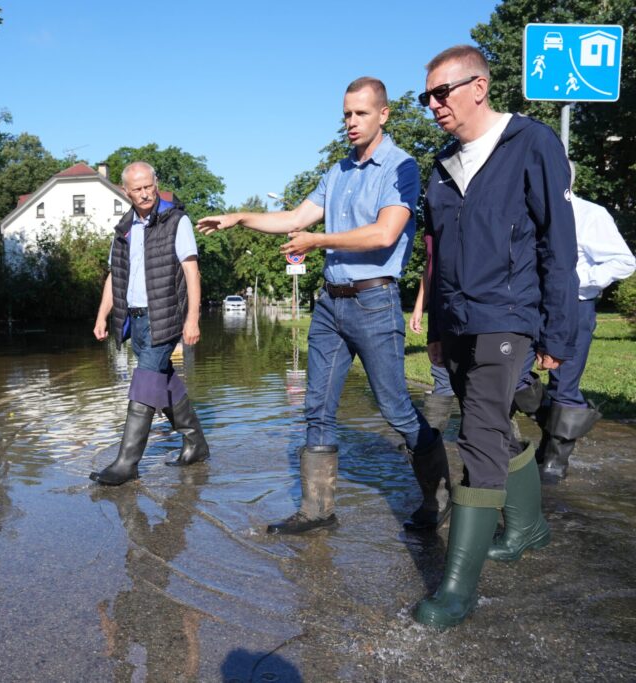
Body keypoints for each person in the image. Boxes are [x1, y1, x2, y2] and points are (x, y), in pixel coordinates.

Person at [197, 77, 450, 535]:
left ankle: (439, 496)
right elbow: (296, 217)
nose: (351, 122)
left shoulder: (401, 167)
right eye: (346, 114)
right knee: (316, 408)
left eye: (360, 113)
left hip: (374, 302)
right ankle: (317, 510)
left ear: (383, 114)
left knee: (395, 408)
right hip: (331, 306)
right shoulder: (338, 172)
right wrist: (239, 217)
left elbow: (385, 233)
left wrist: (318, 241)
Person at [414, 45, 578, 629]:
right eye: (427, 96)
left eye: (442, 92)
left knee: (479, 433)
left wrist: (556, 330)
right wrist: (437, 327)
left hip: (509, 315)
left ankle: (457, 589)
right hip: (458, 320)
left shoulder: (530, 143)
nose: (434, 105)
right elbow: (436, 256)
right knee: (494, 424)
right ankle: (528, 527)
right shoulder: (442, 165)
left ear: (479, 87)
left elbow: (558, 244)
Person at [90, 161, 209, 486]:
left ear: (156, 184)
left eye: (148, 186)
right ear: (126, 192)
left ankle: (126, 463)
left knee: (143, 383)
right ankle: (196, 442)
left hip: (164, 316)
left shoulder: (176, 221)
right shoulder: (123, 229)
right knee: (162, 379)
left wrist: (193, 318)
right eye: (137, 189)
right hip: (135, 319)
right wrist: (102, 315)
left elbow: (191, 271)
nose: (144, 194)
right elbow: (114, 276)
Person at [513, 167, 635, 483]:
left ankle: (554, 463)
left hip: (574, 307)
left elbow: (624, 261)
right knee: (513, 376)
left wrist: (575, 282)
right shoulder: (525, 214)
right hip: (528, 306)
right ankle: (557, 423)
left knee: (564, 385)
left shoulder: (590, 214)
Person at [410, 226, 456, 434]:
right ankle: (431, 443)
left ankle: (510, 445)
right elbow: (430, 266)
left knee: (484, 382)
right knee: (441, 370)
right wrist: (420, 305)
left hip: (472, 309)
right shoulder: (433, 225)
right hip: (440, 310)